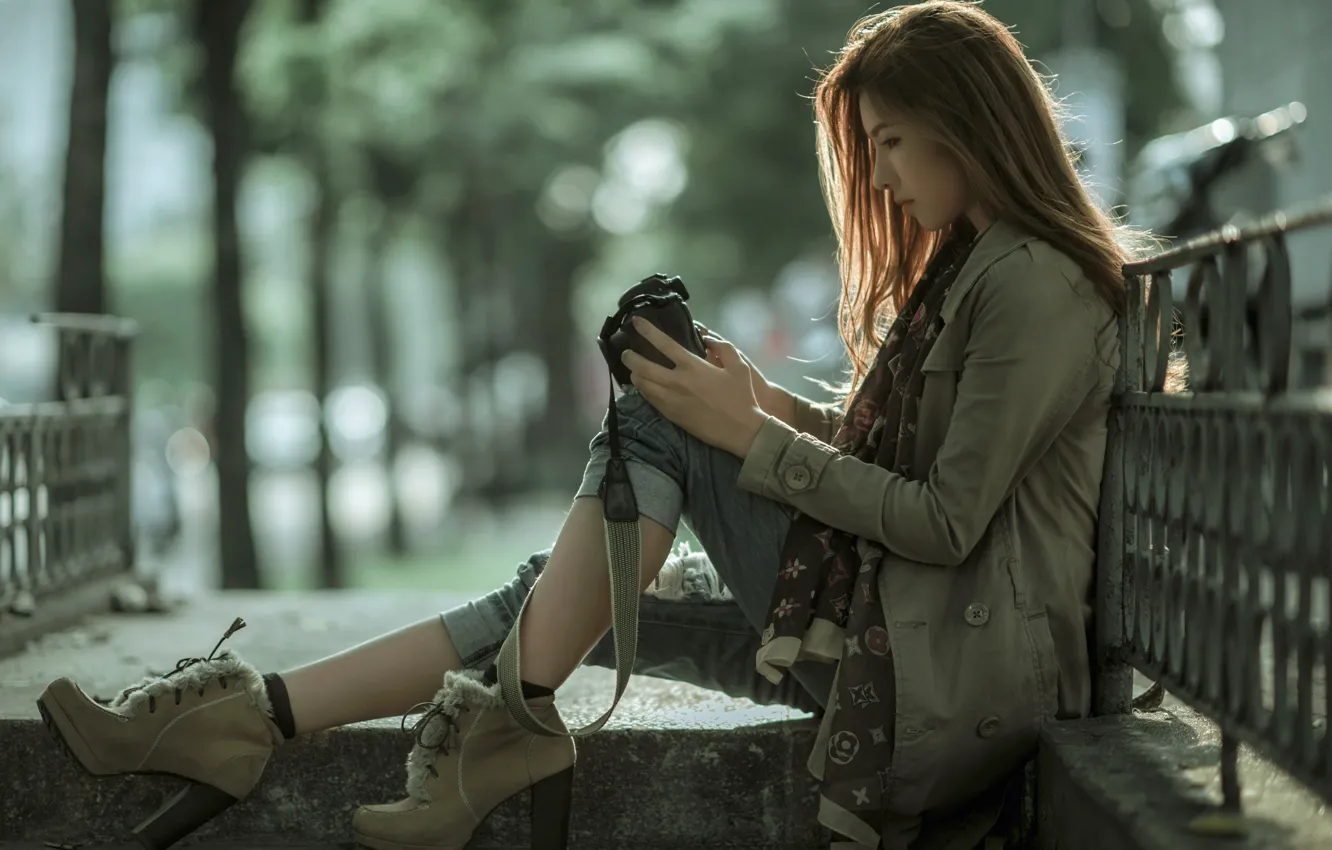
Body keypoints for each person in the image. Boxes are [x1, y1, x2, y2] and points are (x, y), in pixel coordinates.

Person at [36, 2, 1145, 848]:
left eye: (894, 141)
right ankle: (254, 717)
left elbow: (947, 520)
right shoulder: (975, 270)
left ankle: (505, 724)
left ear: (967, 123)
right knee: (566, 587)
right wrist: (765, 405)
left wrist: (743, 436)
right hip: (890, 633)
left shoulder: (1035, 283)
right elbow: (896, 466)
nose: (884, 176)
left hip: (945, 678)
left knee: (654, 428)